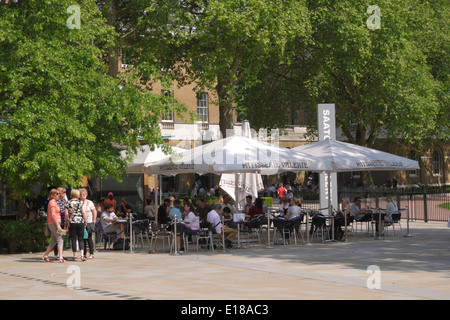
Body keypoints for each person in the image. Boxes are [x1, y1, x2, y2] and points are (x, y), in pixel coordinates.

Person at [42, 189, 66, 263]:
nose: (59, 195)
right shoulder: (52, 202)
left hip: (54, 222)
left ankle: (45, 255)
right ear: (52, 195)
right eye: (57, 194)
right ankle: (60, 257)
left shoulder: (54, 202)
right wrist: (58, 226)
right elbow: (53, 215)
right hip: (54, 223)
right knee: (60, 239)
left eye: (59, 193)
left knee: (54, 240)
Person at [67, 189, 87, 261]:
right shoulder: (81, 202)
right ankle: (82, 255)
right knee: (81, 238)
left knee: (73, 239)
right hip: (80, 222)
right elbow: (84, 212)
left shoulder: (68, 202)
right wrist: (85, 221)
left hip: (72, 222)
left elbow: (66, 214)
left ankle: (75, 255)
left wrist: (67, 221)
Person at [80, 188, 97, 259]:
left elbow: (94, 211)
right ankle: (84, 253)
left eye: (85, 194)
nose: (84, 195)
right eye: (82, 194)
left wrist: (94, 220)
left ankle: (91, 253)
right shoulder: (78, 202)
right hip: (81, 222)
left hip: (89, 222)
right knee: (82, 239)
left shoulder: (90, 202)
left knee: (89, 238)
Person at [53, 187, 68, 257]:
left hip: (63, 222)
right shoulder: (56, 201)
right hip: (57, 222)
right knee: (57, 238)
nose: (65, 194)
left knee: (62, 238)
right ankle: (56, 254)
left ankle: (61, 253)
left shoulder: (64, 200)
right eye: (63, 192)